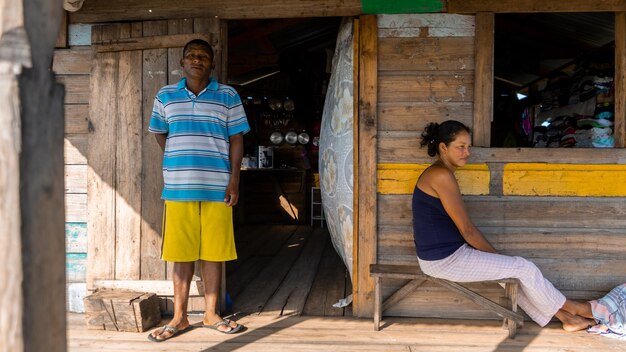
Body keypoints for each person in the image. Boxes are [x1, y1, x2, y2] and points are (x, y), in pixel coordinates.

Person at [413, 120, 595, 332]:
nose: (467, 152)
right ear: (443, 148)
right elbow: (467, 230)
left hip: (445, 254)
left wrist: (498, 260)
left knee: (511, 272)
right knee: (523, 267)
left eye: (468, 147)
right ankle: (575, 307)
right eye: (460, 147)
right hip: (443, 259)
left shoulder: (439, 173)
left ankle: (567, 318)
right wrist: (497, 257)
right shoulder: (441, 175)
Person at [147, 39, 250, 342]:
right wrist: (180, 158)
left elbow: (236, 140)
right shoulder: (165, 95)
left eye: (203, 56)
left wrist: (234, 180)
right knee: (181, 253)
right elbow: (160, 134)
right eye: (191, 56)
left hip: (218, 187)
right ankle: (179, 319)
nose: (197, 60)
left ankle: (211, 314)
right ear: (182, 62)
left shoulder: (228, 95)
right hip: (179, 188)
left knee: (214, 253)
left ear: (212, 64)